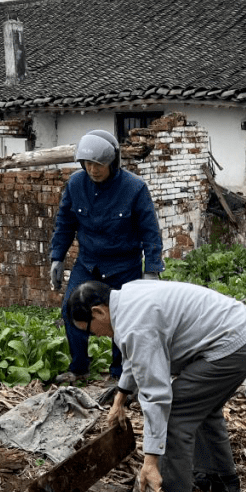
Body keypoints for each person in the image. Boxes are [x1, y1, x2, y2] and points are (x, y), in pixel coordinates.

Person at [67, 279, 246, 492]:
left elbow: (156, 394)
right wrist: (120, 396)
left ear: (98, 312)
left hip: (234, 344)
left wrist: (150, 462)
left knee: (177, 414)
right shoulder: (129, 298)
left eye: (89, 329)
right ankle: (221, 478)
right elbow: (137, 354)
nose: (94, 335)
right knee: (201, 405)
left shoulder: (134, 324)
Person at [50, 129, 163, 383]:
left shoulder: (135, 188)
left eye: (99, 164)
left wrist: (152, 269)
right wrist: (57, 257)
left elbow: (150, 232)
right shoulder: (76, 185)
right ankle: (79, 368)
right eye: (87, 164)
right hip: (88, 263)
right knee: (71, 309)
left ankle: (119, 374)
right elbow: (65, 223)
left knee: (123, 319)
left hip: (124, 265)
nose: (93, 169)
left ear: (113, 162)